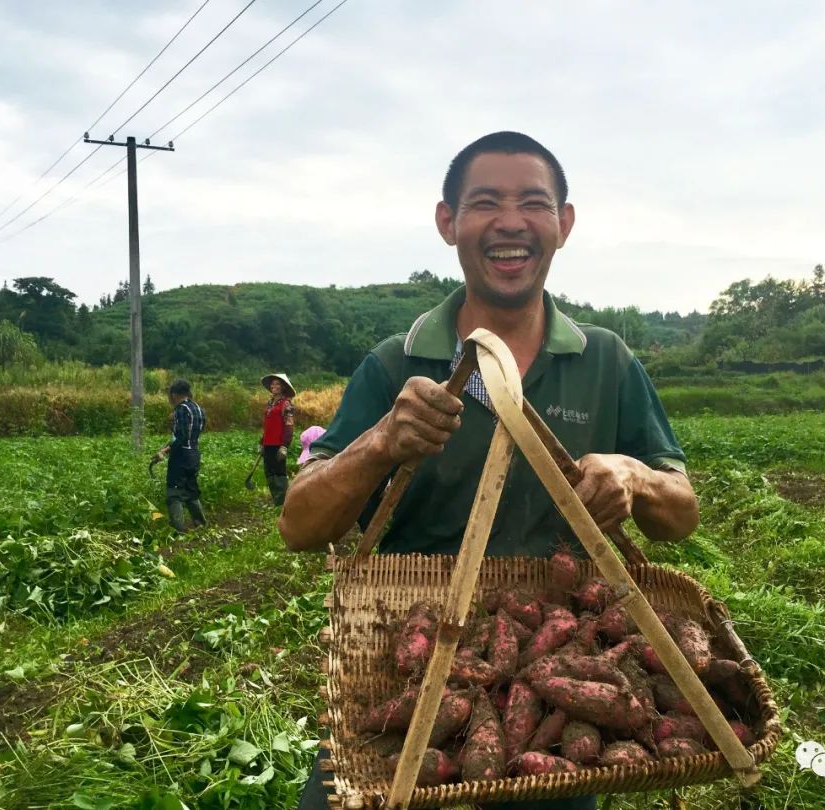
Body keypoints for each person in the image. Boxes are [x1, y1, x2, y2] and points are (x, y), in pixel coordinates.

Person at [280, 131, 699, 810]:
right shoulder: (398, 363)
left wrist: (636, 476)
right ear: (449, 222)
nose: (511, 222)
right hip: (406, 660)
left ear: (563, 223)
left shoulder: (607, 362)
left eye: (533, 202)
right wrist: (383, 440)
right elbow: (299, 525)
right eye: (485, 203)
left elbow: (680, 515)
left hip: (558, 661)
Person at [154, 379, 207, 533]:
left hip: (181, 456)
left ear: (174, 394)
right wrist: (167, 446)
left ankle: (178, 529)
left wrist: (165, 451)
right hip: (194, 454)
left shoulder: (181, 409)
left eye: (170, 395)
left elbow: (182, 437)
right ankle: (201, 524)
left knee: (174, 492)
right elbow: (190, 434)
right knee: (191, 490)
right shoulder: (197, 408)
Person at [260, 373, 296, 506]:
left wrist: (284, 446)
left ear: (283, 387)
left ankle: (283, 503)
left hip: (278, 444)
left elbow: (289, 426)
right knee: (269, 472)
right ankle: (276, 500)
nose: (273, 386)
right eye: (272, 384)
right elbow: (267, 425)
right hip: (268, 443)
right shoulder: (270, 403)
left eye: (277, 384)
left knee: (279, 473)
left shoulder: (286, 404)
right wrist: (261, 442)